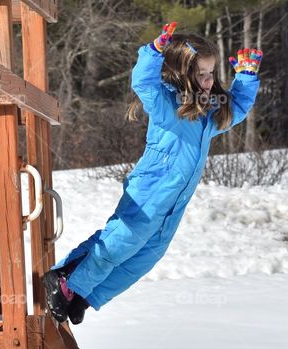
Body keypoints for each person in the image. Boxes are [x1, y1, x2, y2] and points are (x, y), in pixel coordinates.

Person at [43, 22, 263, 324]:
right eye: (200, 74)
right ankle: (66, 278)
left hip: (172, 206)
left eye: (211, 73)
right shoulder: (166, 104)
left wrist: (247, 78)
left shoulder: (209, 116)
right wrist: (153, 53)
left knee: (145, 259)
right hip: (148, 193)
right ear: (181, 74)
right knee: (121, 243)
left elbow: (235, 108)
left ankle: (85, 294)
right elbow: (144, 82)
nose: (209, 80)